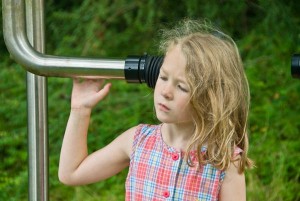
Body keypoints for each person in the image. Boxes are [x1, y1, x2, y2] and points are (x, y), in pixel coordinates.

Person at [59, 19, 253, 201]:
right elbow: (72, 173)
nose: (166, 92)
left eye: (182, 87)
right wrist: (80, 110)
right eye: (163, 77)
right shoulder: (138, 140)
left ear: (210, 98)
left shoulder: (224, 161)